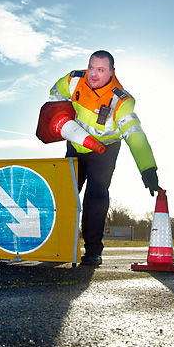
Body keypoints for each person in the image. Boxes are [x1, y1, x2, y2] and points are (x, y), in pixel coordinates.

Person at [49, 50, 159, 265]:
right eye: (91, 68)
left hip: (105, 150)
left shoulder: (122, 101)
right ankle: (58, 246)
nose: (94, 74)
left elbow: (135, 135)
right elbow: (54, 95)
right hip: (76, 146)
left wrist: (148, 169)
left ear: (111, 72)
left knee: (96, 196)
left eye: (100, 70)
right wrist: (64, 119)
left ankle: (92, 251)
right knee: (63, 195)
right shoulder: (72, 80)